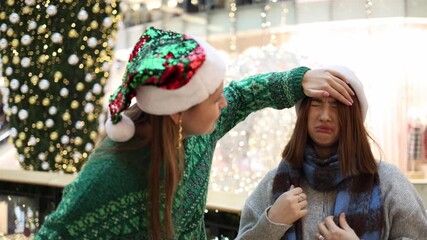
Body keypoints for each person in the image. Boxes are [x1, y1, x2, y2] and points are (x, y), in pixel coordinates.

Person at [34, 27, 354, 240]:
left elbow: (241, 95)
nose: (225, 102)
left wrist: (297, 81)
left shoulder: (197, 132)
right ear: (177, 111)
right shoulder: (109, 176)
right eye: (216, 99)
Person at [236, 66, 427, 240]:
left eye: (336, 106)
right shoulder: (274, 185)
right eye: (316, 103)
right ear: (304, 112)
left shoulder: (388, 182)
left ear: (352, 117)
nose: (325, 116)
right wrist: (272, 223)